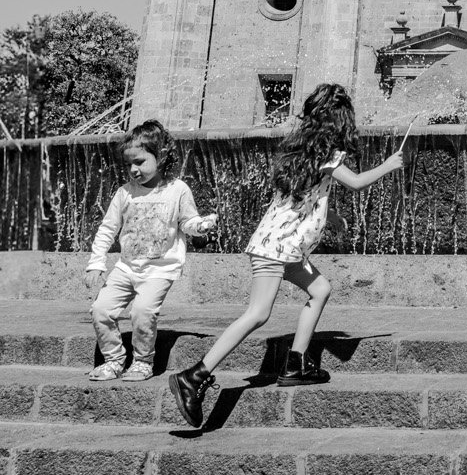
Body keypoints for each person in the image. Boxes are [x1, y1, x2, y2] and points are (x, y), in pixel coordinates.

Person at [167, 83, 404, 426]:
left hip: (284, 246)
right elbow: (356, 183)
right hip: (276, 248)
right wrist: (389, 165)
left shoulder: (302, 150)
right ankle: (195, 376)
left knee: (320, 289)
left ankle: (296, 363)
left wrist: (330, 216)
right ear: (339, 120)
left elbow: (301, 198)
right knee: (258, 314)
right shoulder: (328, 154)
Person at [85, 120, 217, 381]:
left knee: (142, 311)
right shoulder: (124, 193)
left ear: (162, 156)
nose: (133, 169)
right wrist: (96, 262)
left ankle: (143, 361)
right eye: (128, 164)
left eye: (140, 162)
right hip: (125, 268)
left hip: (160, 269)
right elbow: (107, 229)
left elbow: (187, 222)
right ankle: (113, 360)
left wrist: (201, 226)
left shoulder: (177, 190)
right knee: (100, 310)